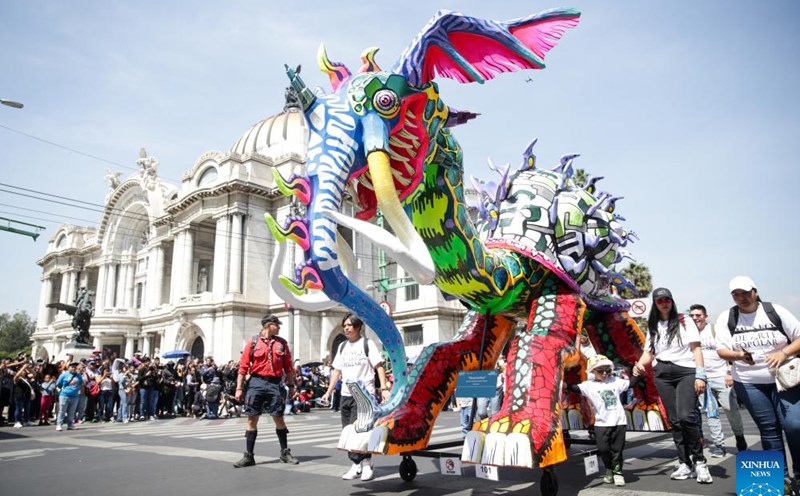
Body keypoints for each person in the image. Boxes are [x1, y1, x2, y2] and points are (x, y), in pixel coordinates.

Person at [715, 276, 800, 494]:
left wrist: (783, 352)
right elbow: (722, 350)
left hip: (784, 380)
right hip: (749, 382)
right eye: (736, 294)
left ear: (755, 291)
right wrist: (739, 355)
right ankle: (779, 481)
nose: (741, 298)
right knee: (768, 429)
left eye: (745, 293)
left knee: (794, 425)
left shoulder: (775, 311)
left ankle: (799, 473)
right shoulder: (727, 317)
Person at [633, 287, 712, 484]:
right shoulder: (653, 324)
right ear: (655, 303)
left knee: (686, 416)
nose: (664, 303)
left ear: (672, 300)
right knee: (675, 420)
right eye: (660, 300)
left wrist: (700, 376)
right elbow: (649, 352)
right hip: (663, 375)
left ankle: (700, 461)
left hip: (686, 371)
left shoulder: (685, 320)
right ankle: (684, 463)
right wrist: (639, 364)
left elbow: (696, 349)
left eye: (667, 299)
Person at [320, 314, 390, 481]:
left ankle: (366, 464)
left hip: (364, 396)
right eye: (344, 325)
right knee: (349, 432)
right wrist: (328, 392)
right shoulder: (342, 346)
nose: (346, 328)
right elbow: (337, 371)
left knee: (361, 431)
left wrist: (384, 388)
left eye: (350, 325)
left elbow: (379, 367)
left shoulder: (367, 344)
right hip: (346, 394)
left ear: (358, 327)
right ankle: (356, 465)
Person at [233, 314, 299, 467]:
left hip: (275, 384)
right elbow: (243, 367)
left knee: (278, 417)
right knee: (252, 418)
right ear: (269, 325)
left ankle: (284, 452)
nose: (280, 327)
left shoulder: (282, 343)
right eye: (277, 324)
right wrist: (239, 388)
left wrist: (291, 386)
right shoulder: (253, 342)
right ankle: (249, 456)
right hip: (256, 382)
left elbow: (288, 367)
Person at [688, 304, 747, 456]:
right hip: (702, 380)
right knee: (711, 412)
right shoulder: (689, 334)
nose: (695, 318)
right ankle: (719, 445)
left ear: (705, 316)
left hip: (721, 376)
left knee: (730, 409)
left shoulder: (715, 330)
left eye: (698, 315)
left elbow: (730, 351)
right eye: (692, 315)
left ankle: (739, 436)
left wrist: (729, 372)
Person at [571, 355, 629, 486]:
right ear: (592, 371)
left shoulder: (616, 381)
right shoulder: (588, 386)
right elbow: (573, 388)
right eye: (600, 371)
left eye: (607, 370)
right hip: (601, 423)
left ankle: (618, 473)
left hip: (619, 421)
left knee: (617, 450)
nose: (604, 374)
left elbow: (633, 382)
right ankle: (609, 468)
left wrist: (639, 370)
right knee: (603, 449)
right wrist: (560, 382)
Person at [55, 362, 83, 431]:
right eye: (72, 367)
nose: (73, 368)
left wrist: (79, 392)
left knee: (72, 412)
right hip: (64, 395)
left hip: (75, 396)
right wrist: (60, 392)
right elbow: (57, 385)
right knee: (62, 411)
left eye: (74, 367)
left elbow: (81, 384)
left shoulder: (78, 376)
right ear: (68, 367)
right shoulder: (64, 375)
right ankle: (59, 424)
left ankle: (70, 424)